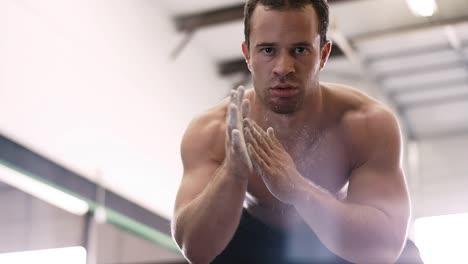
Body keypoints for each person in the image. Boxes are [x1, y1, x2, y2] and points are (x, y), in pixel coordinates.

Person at [171, 0, 411, 263]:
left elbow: (384, 251)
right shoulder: (211, 131)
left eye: (299, 50)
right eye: (267, 50)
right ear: (247, 55)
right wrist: (232, 174)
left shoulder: (365, 124)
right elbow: (194, 250)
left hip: (333, 235)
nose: (283, 67)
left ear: (323, 54)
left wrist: (297, 189)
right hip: (250, 241)